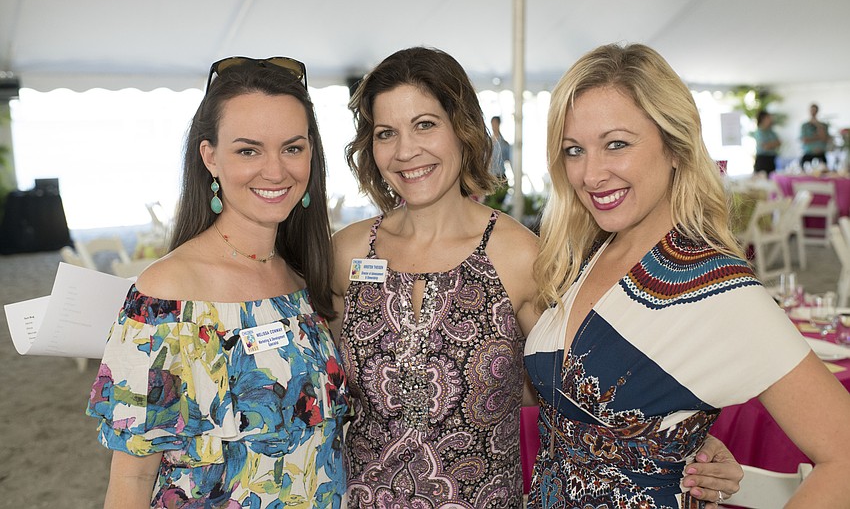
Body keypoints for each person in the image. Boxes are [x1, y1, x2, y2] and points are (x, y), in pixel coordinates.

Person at [333, 46, 743, 508]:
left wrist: (678, 442)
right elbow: (321, 388)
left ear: (462, 130)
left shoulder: (520, 256)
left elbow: (581, 387)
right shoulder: (346, 253)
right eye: (387, 132)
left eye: (425, 124)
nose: (406, 150)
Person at [527, 42, 850, 507]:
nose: (591, 174)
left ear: (676, 146)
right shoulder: (587, 254)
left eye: (616, 144)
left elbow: (842, 454)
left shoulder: (717, 286)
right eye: (573, 150)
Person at [86, 57, 349, 508]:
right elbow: (131, 481)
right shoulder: (167, 294)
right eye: (248, 150)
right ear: (209, 156)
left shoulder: (304, 280)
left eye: (292, 148)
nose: (275, 171)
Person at [800, 102, 830, 167]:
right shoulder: (805, 126)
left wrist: (818, 125)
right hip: (808, 154)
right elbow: (804, 140)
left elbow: (825, 139)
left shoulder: (823, 125)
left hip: (821, 155)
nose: (813, 112)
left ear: (817, 111)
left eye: (815, 110)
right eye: (812, 110)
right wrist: (818, 137)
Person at [752, 109, 781, 174]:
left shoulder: (771, 132)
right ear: (763, 119)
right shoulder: (759, 132)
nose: (771, 119)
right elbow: (766, 146)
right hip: (762, 160)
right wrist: (773, 144)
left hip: (772, 160)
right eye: (768, 118)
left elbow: (779, 143)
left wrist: (771, 144)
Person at [490, 115, 512, 180]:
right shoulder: (488, 142)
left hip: (500, 175)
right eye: (492, 124)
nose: (493, 126)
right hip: (490, 176)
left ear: (499, 124)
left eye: (495, 123)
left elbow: (509, 160)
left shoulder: (504, 143)